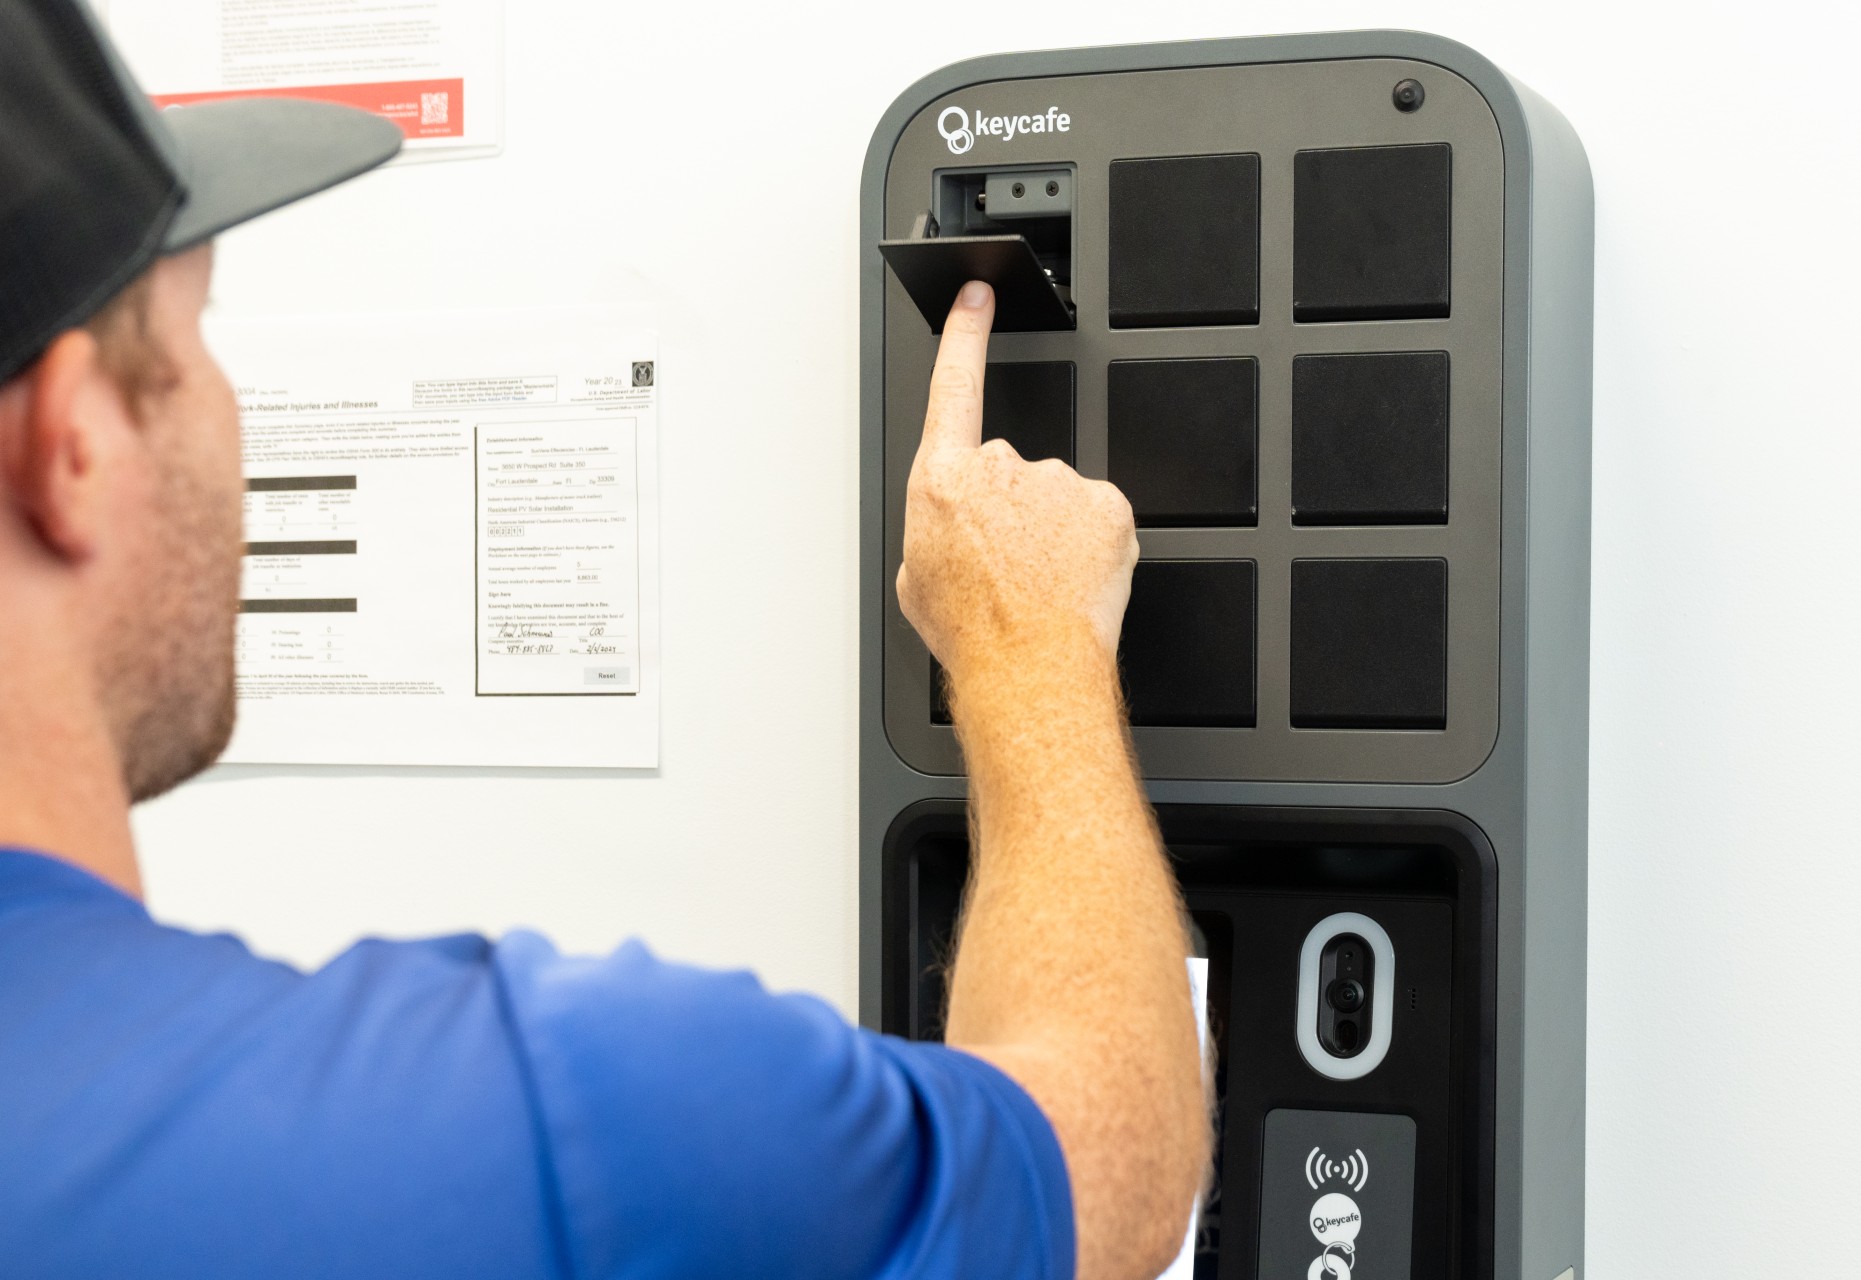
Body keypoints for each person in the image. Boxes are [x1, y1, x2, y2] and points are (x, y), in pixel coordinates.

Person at [0, 2, 1210, 1276]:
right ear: (74, 445)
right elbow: (1111, 1169)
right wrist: (1030, 646)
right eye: (194, 334)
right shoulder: (546, 1121)